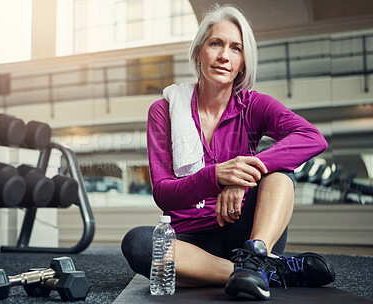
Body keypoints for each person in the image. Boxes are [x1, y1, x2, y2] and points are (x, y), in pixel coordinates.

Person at [121, 4, 335, 301]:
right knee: (139, 244)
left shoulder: (253, 105)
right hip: (189, 240)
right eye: (216, 44)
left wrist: (242, 175)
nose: (224, 55)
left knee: (280, 174)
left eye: (236, 48)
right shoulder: (164, 111)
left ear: (243, 63)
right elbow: (163, 193)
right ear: (199, 52)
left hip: (245, 233)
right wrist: (217, 175)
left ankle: (255, 258)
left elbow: (312, 138)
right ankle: (264, 271)